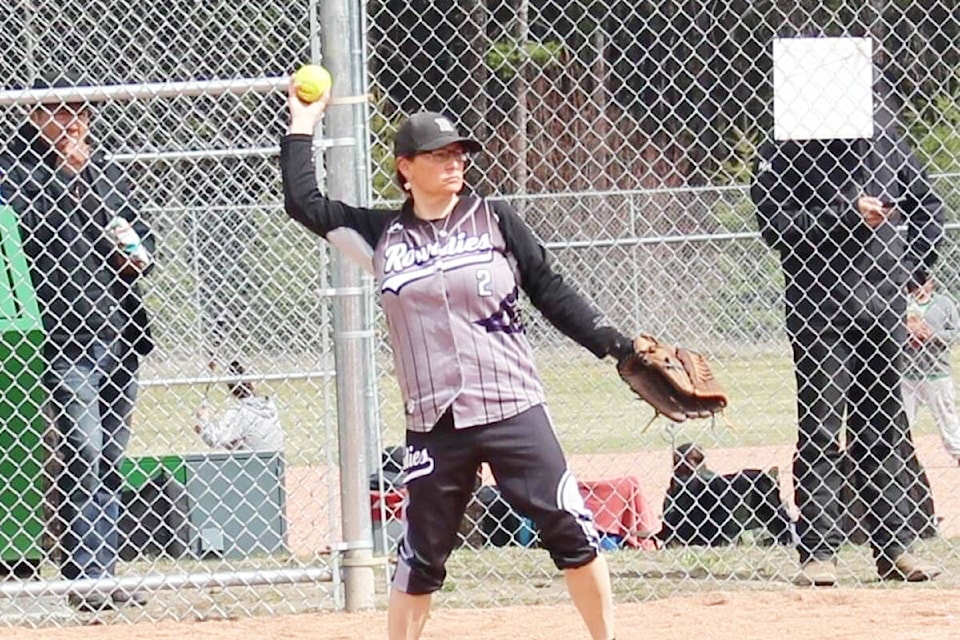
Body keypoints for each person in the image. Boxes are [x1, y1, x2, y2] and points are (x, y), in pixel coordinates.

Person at [281, 81, 642, 640]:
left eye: (459, 154)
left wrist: (615, 345)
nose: (454, 163)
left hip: (512, 405)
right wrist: (302, 123)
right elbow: (304, 203)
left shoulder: (495, 220)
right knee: (420, 558)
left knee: (571, 528)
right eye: (439, 155)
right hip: (435, 423)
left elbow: (552, 290)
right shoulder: (381, 237)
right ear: (405, 167)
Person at [751, 74, 945, 586]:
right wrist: (845, 214)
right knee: (819, 428)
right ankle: (819, 554)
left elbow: (929, 205)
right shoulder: (785, 138)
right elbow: (775, 223)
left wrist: (912, 272)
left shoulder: (882, 126)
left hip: (880, 307)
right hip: (818, 308)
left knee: (882, 426)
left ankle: (895, 548)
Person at [0, 71, 155, 610]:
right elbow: (25, 230)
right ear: (33, 115)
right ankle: (83, 577)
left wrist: (138, 252)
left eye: (79, 112)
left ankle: (98, 573)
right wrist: (71, 180)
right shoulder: (12, 173)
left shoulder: (102, 168)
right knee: (83, 452)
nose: (71, 123)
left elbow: (139, 232)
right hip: (62, 339)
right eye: (58, 112)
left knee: (110, 455)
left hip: (118, 333)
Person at [657, 442, 796, 547]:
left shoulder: (677, 488)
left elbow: (668, 523)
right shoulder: (718, 482)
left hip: (695, 535)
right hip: (733, 531)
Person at [902, 271, 960, 464]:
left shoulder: (944, 304)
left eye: (922, 281)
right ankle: (900, 460)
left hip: (937, 373)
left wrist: (932, 335)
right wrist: (909, 333)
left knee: (948, 421)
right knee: (902, 421)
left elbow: (956, 334)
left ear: (931, 283)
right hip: (908, 373)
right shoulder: (903, 305)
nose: (918, 286)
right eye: (914, 282)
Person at [193, 361, 285, 451]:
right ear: (253, 384)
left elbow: (215, 440)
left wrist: (204, 420)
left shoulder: (239, 412)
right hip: (275, 461)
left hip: (251, 463)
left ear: (232, 391)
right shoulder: (269, 405)